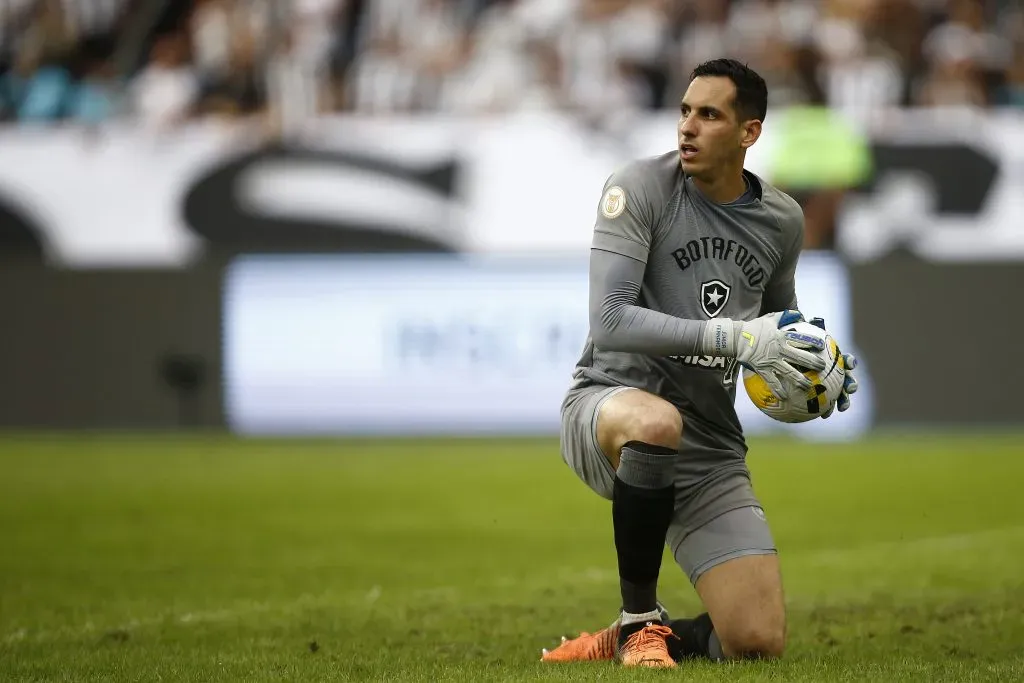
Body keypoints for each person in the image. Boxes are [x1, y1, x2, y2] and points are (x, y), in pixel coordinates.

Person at [546, 58, 858, 668]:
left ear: (749, 133)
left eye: (709, 114)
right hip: (609, 405)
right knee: (657, 422)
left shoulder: (782, 220)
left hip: (710, 444)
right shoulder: (638, 188)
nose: (687, 127)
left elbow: (779, 325)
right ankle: (637, 619)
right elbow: (609, 319)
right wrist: (737, 341)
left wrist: (815, 371)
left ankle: (654, 637)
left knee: (755, 642)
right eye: (685, 111)